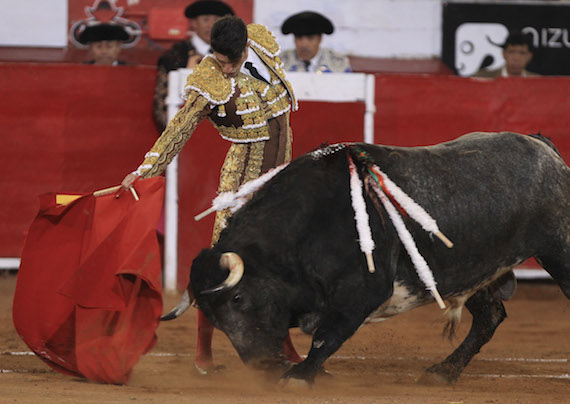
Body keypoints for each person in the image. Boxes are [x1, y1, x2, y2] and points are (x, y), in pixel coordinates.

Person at [121, 16, 302, 374]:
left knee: (276, 263)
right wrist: (144, 172)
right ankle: (203, 354)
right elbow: (179, 128)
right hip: (240, 181)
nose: (224, 68)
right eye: (218, 60)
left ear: (246, 46)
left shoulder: (262, 43)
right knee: (222, 265)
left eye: (230, 61)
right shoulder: (208, 79)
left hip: (279, 176)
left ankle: (288, 349)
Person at [153, 0, 235, 131]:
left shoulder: (234, 56)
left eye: (216, 20)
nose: (211, 25)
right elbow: (162, 105)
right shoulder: (175, 55)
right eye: (206, 19)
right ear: (194, 23)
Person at [279, 11, 351, 73]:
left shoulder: (338, 63)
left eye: (310, 38)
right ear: (294, 39)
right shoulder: (280, 62)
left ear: (320, 39)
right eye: (299, 38)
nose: (304, 44)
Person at [473, 31, 539, 78]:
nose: (516, 58)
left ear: (529, 56)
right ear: (504, 54)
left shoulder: (538, 82)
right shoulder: (483, 78)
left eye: (522, 53)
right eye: (511, 52)